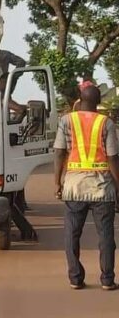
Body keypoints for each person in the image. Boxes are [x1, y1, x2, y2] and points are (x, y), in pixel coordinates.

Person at [54, 85, 119, 290]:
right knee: (106, 236)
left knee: (72, 234)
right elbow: (112, 158)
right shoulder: (106, 122)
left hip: (74, 187)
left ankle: (75, 278)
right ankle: (107, 280)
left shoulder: (66, 120)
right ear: (98, 102)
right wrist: (118, 186)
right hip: (102, 187)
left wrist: (58, 182)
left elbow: (58, 152)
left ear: (80, 99)